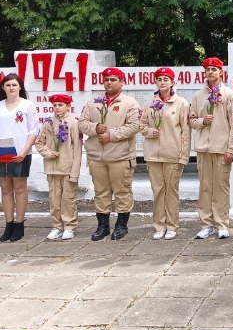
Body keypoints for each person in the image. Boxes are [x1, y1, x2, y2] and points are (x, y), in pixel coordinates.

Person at [78, 67, 141, 241]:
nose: (109, 82)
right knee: (101, 192)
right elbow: (82, 123)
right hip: (97, 157)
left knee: (122, 191)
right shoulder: (93, 103)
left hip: (120, 156)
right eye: (106, 79)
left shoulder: (129, 103)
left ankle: (121, 225)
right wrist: (95, 128)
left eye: (113, 79)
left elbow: (134, 126)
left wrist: (111, 135)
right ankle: (103, 226)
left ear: (122, 82)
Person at [0, 73, 39, 242]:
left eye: (14, 85)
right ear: (3, 88)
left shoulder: (27, 105)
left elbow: (33, 130)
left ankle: (19, 224)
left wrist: (24, 151)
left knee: (20, 188)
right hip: (1, 152)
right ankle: (8, 224)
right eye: (8, 85)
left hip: (20, 152)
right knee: (5, 189)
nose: (11, 88)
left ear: (20, 87)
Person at [189, 57, 233, 239]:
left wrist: (231, 149)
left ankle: (221, 223)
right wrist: (203, 121)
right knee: (205, 187)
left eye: (214, 69)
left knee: (221, 187)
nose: (210, 72)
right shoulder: (198, 95)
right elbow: (191, 120)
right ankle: (206, 224)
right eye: (207, 69)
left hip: (221, 148)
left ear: (220, 72)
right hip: (203, 149)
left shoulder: (229, 95)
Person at [140, 67, 191, 241]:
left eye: (165, 79)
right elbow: (142, 125)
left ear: (172, 82)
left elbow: (185, 131)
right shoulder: (150, 103)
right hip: (153, 154)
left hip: (173, 154)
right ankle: (159, 225)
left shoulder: (181, 103)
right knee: (158, 191)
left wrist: (184, 155)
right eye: (159, 79)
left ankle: (172, 225)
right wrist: (149, 132)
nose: (162, 82)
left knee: (171, 191)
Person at [35, 93, 83, 240]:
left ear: (68, 106)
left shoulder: (74, 123)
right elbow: (39, 142)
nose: (57, 108)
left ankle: (69, 226)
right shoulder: (48, 123)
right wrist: (48, 153)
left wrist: (75, 172)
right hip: (52, 168)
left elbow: (77, 149)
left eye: (60, 105)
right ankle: (57, 226)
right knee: (54, 199)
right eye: (55, 105)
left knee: (68, 199)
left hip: (67, 168)